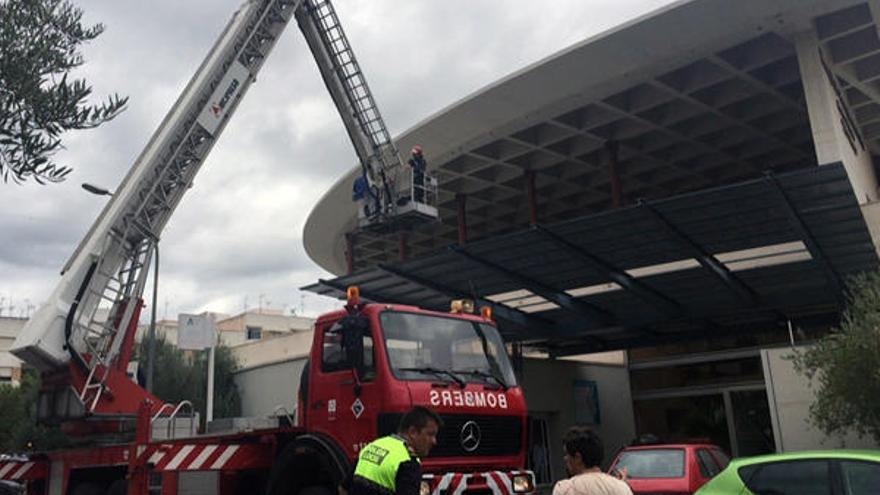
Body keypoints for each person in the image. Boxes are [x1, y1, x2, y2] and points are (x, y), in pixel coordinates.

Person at [344, 406, 442, 495]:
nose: (434, 441)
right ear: (412, 432)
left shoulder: (372, 446)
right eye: (430, 434)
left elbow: (343, 488)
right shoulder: (408, 463)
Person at [552, 426, 632, 495]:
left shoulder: (564, 489)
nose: (565, 458)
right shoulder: (622, 487)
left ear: (578, 458)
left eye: (567, 454)